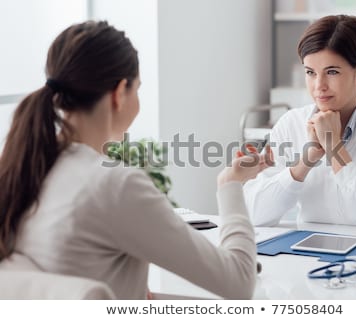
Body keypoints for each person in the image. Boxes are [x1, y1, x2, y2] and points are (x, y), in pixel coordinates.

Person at [0, 21, 268, 299]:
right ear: (119, 93)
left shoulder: (24, 166)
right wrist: (230, 183)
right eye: (137, 89)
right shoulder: (114, 184)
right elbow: (239, 282)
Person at [243, 15, 356, 238]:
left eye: (332, 72)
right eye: (310, 72)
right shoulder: (290, 123)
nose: (319, 86)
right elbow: (256, 214)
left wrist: (334, 147)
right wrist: (307, 159)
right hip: (308, 253)